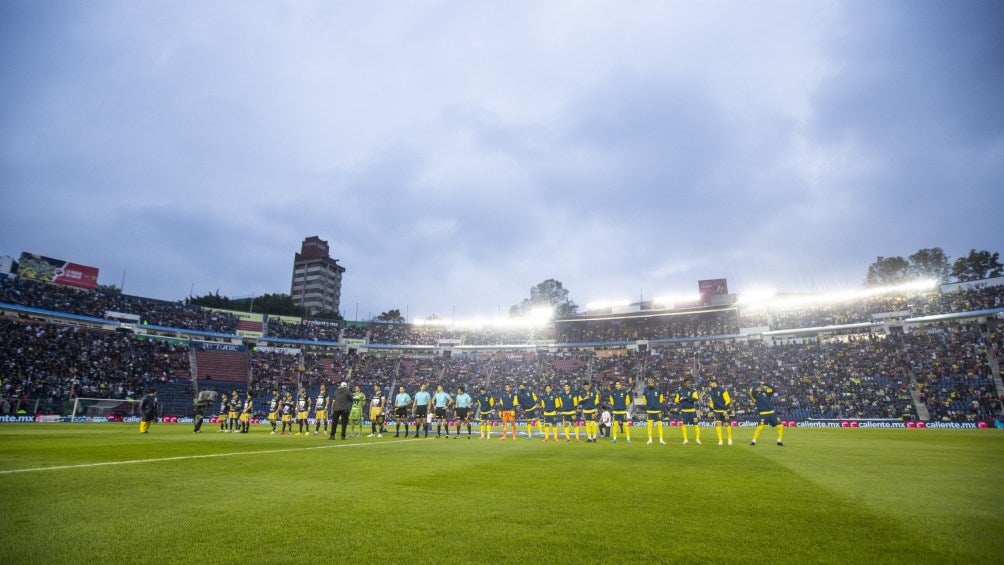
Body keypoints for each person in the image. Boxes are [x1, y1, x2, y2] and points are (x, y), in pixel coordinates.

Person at [675, 378, 702, 445]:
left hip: (692, 411)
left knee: (696, 425)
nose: (689, 384)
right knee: (683, 425)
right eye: (687, 383)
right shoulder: (680, 391)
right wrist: (680, 400)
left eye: (690, 383)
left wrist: (686, 398)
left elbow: (695, 398)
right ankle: (685, 439)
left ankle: (697, 439)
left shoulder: (693, 391)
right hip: (684, 411)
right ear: (684, 383)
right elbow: (676, 400)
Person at [708, 378, 734, 446]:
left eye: (710, 383)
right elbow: (711, 402)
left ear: (714, 383)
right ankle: (720, 440)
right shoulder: (711, 391)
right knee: (718, 425)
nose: (710, 384)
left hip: (724, 411)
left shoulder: (722, 390)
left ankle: (730, 439)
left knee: (727, 424)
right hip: (716, 411)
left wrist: (726, 410)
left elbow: (728, 400)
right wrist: (711, 411)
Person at [641, 378, 667, 445]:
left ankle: (661, 439)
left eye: (651, 383)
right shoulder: (646, 391)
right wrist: (647, 404)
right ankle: (650, 439)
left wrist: (658, 405)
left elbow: (661, 399)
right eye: (649, 383)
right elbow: (644, 398)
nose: (650, 384)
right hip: (649, 411)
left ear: (654, 383)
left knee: (660, 425)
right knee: (649, 426)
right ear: (648, 384)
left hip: (657, 411)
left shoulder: (658, 390)